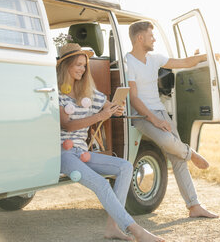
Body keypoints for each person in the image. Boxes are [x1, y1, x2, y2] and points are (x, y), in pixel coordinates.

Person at [57, 43, 165, 242]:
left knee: (125, 167)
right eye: (78, 65)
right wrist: (101, 116)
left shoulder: (87, 92)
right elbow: (68, 126)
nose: (82, 69)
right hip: (63, 155)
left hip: (81, 153)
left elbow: (111, 107)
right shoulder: (58, 94)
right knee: (100, 183)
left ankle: (112, 227)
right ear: (66, 66)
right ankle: (136, 230)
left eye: (84, 65)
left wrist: (117, 108)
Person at [126, 21, 220, 218]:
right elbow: (134, 99)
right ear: (140, 38)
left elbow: (185, 63)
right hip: (141, 115)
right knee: (166, 141)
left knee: (177, 158)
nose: (154, 39)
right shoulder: (128, 62)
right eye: (151, 35)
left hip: (159, 111)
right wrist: (154, 120)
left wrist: (208, 56)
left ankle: (194, 206)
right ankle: (191, 152)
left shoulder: (154, 59)